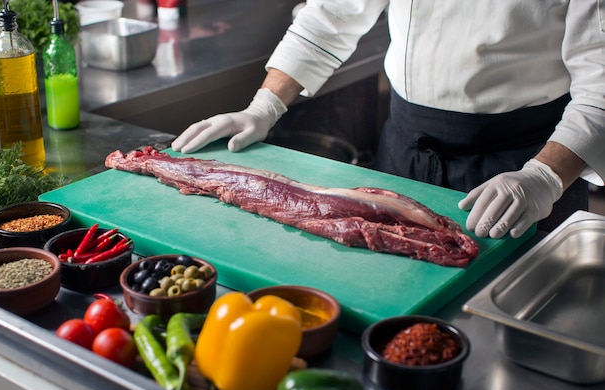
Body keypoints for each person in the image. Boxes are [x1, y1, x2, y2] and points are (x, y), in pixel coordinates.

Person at [171, 1, 605, 239]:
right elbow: (330, 16)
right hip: (406, 151)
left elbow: (600, 84)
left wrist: (544, 177)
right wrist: (264, 105)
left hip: (521, 166)